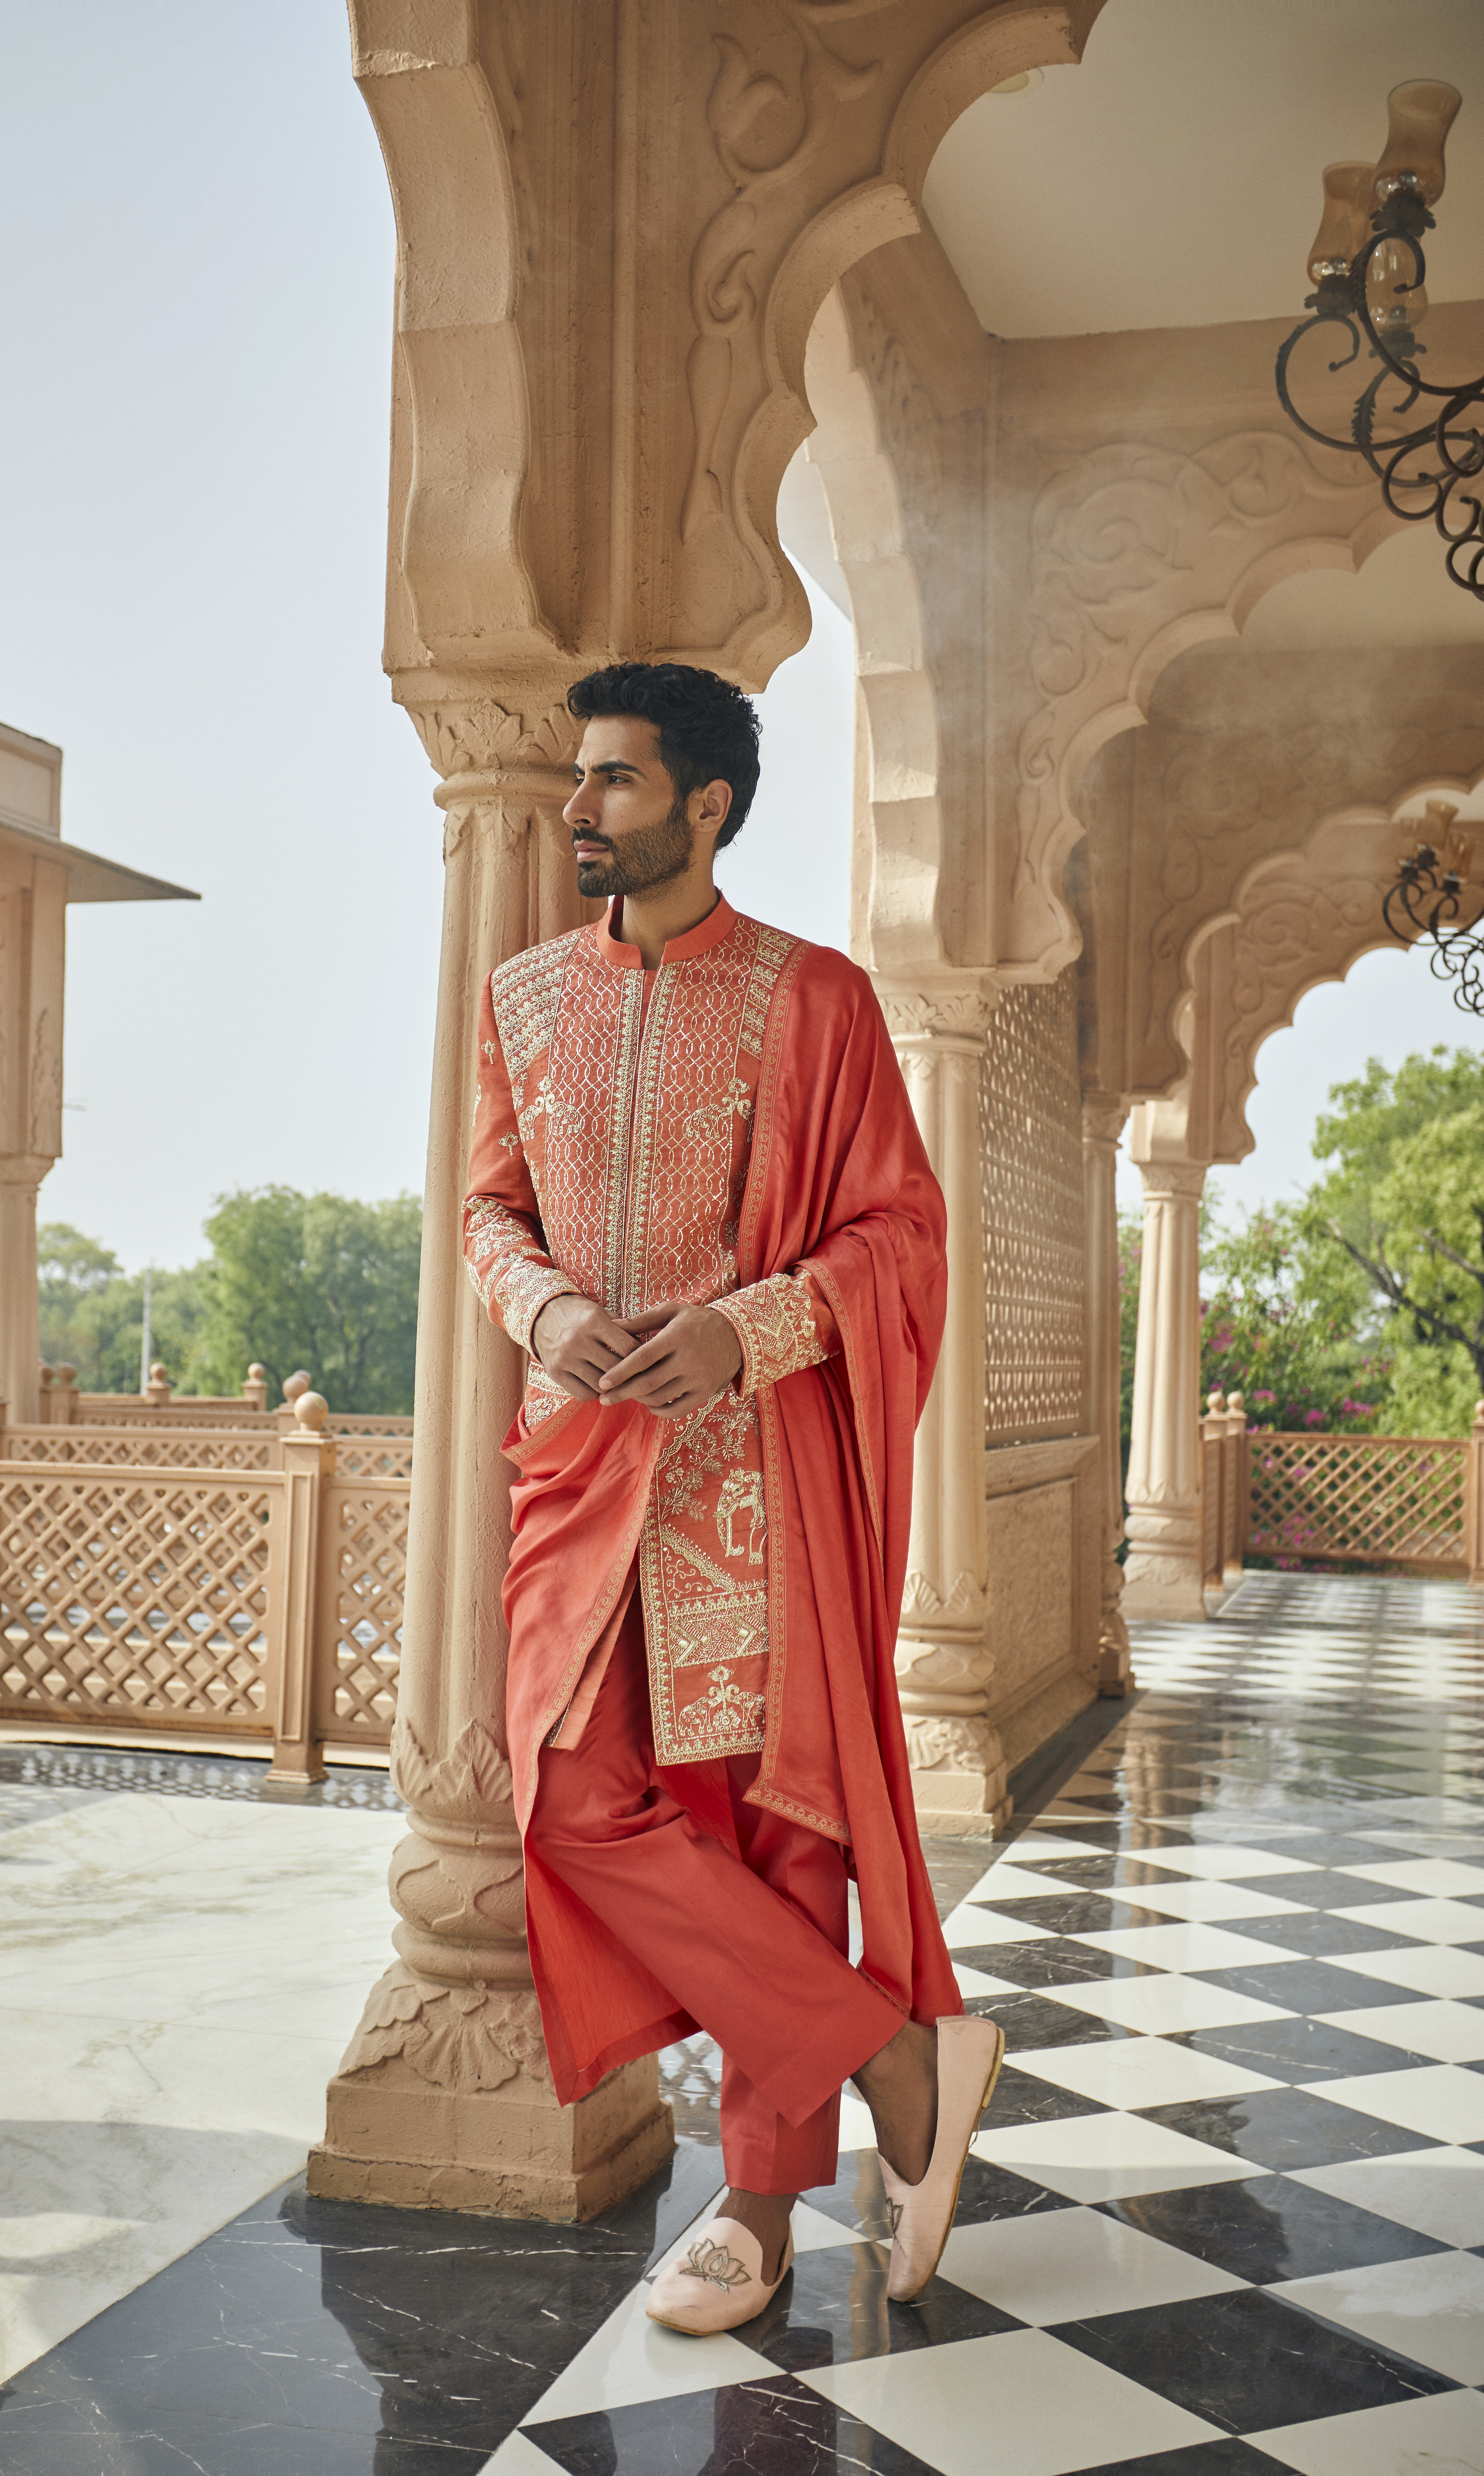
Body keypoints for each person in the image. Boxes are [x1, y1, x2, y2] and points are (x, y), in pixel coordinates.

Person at [462, 661, 1002, 2332]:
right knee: (569, 1798)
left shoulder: (814, 999)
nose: (578, 806)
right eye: (580, 776)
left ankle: (757, 2216)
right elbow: (487, 1212)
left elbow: (901, 1232)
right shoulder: (522, 997)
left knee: (777, 1836)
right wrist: (544, 1308)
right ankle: (900, 2062)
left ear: (706, 805)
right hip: (577, 1471)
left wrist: (741, 1333)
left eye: (615, 780)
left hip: (754, 1481)